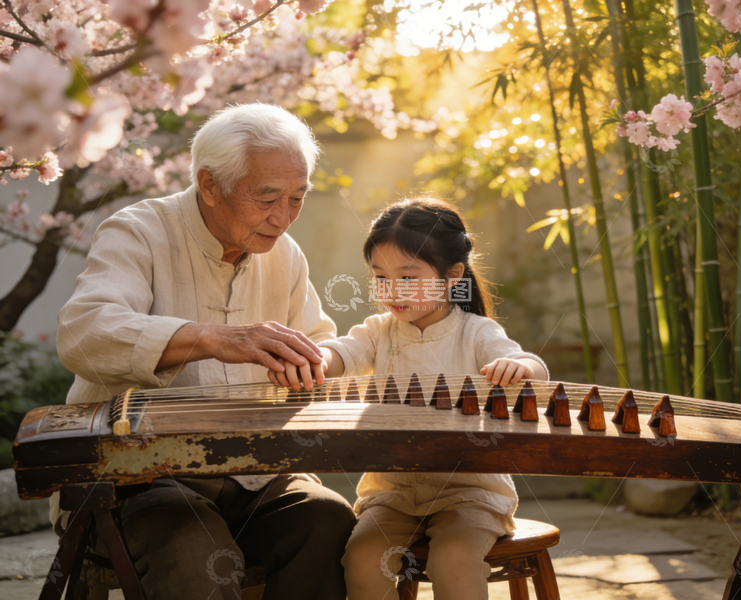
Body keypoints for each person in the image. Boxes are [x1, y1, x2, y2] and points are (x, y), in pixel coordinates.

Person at [55, 104, 355, 600]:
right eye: (268, 199)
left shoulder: (283, 254)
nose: (282, 218)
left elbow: (317, 342)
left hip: (253, 475)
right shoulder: (139, 231)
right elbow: (85, 331)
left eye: (297, 199)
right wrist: (212, 338)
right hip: (138, 476)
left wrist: (312, 363)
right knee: (194, 547)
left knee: (328, 521)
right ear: (210, 185)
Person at [270, 197, 549, 600]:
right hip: (393, 492)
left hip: (470, 492)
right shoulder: (378, 332)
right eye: (380, 277)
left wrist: (522, 369)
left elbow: (525, 362)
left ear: (452, 276)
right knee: (363, 558)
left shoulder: (476, 332)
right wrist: (312, 360)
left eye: (407, 277)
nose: (391, 291)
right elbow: (341, 353)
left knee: (453, 559)